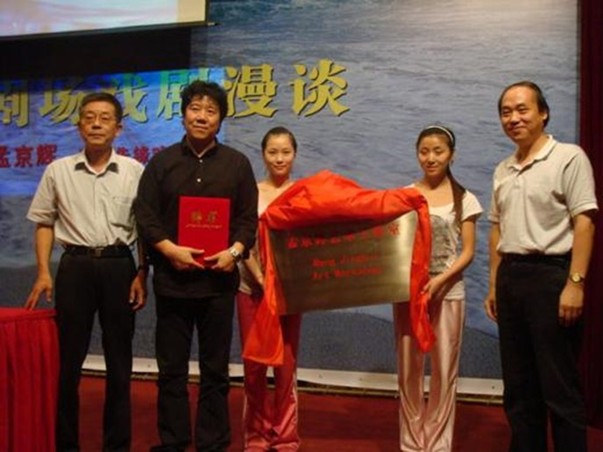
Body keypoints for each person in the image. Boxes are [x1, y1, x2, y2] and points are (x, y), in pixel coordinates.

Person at [134, 80, 258, 452]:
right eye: (195, 108)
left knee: (215, 369)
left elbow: (247, 220)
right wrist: (170, 250)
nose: (202, 116)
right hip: (172, 282)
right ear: (183, 114)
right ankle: (173, 440)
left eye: (210, 110)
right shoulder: (161, 163)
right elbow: (146, 216)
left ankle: (212, 442)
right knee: (171, 368)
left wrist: (234, 252)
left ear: (221, 119)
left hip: (218, 285)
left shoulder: (237, 164)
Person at [24, 91, 147, 451]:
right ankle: (65, 443)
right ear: (79, 126)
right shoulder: (58, 170)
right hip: (74, 268)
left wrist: (142, 273)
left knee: (119, 362)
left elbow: (144, 229)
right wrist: (43, 272)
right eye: (89, 117)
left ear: (118, 128)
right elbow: (44, 223)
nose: (96, 124)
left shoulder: (134, 171)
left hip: (119, 266)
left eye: (105, 118)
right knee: (68, 362)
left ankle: (116, 444)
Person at [484, 81, 597, 452]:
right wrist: (494, 284)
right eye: (506, 112)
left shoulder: (568, 157)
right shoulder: (503, 169)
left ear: (543, 113)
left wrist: (575, 283)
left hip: (551, 277)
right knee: (519, 389)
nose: (513, 118)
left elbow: (585, 222)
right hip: (511, 278)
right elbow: (497, 228)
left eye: (522, 109)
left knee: (559, 387)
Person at [393, 125, 482, 452]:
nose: (430, 158)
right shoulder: (406, 195)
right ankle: (411, 443)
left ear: (451, 155)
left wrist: (441, 280)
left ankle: (438, 444)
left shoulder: (465, 199)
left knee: (444, 370)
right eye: (424, 151)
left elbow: (468, 252)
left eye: (438, 151)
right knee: (409, 369)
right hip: (410, 294)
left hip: (448, 293)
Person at [237, 126, 302, 451]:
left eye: (285, 152)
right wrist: (262, 279)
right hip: (251, 288)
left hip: (290, 293)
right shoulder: (251, 192)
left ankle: (285, 434)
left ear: (295, 155)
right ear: (263, 155)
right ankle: (256, 434)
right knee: (254, 365)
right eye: (273, 152)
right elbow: (241, 241)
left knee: (286, 365)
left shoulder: (303, 193)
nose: (279, 158)